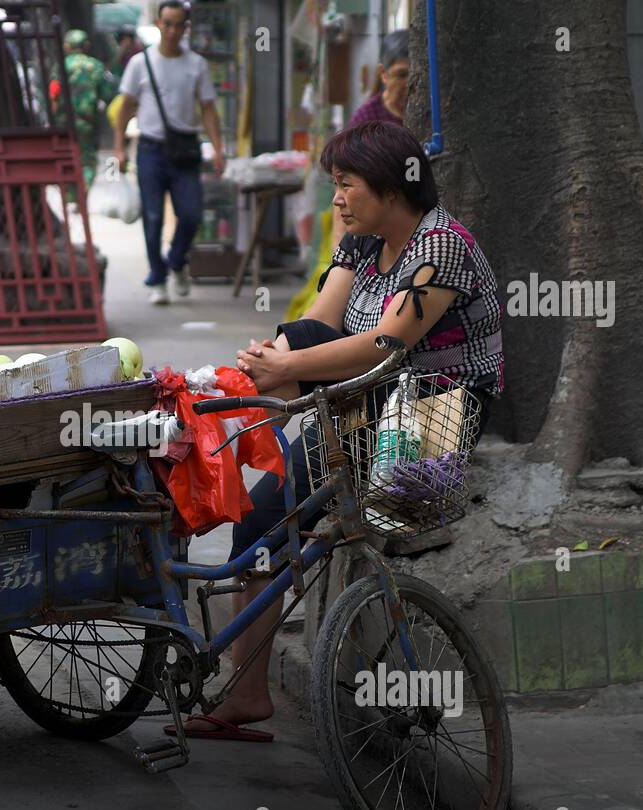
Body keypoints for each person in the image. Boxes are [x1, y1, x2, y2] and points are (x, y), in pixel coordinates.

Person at [173, 121, 504, 741]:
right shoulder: (359, 242)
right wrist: (268, 363)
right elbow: (322, 323)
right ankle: (246, 694)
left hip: (435, 407)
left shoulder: (442, 247)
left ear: (390, 188)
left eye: (347, 185)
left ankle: (226, 406)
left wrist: (288, 365)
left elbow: (385, 343)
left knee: (292, 357)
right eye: (336, 186)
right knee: (258, 523)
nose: (338, 199)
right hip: (362, 401)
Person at [114, 0, 226, 306]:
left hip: (185, 149)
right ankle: (158, 278)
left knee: (190, 215)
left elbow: (208, 109)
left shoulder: (196, 65)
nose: (173, 30)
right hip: (150, 149)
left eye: (179, 24)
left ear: (186, 27)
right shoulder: (140, 62)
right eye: (167, 24)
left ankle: (176, 261)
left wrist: (218, 148)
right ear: (159, 24)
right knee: (152, 217)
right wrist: (119, 149)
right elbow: (124, 106)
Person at [55, 29, 118, 199]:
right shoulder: (96, 66)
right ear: (86, 45)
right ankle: (82, 195)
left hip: (64, 122)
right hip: (87, 121)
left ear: (67, 46)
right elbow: (106, 95)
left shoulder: (61, 66)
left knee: (66, 156)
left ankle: (69, 195)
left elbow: (54, 93)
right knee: (87, 160)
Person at [349, 29, 408, 127]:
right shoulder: (365, 121)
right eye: (401, 75)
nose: (410, 83)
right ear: (383, 73)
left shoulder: (435, 111)